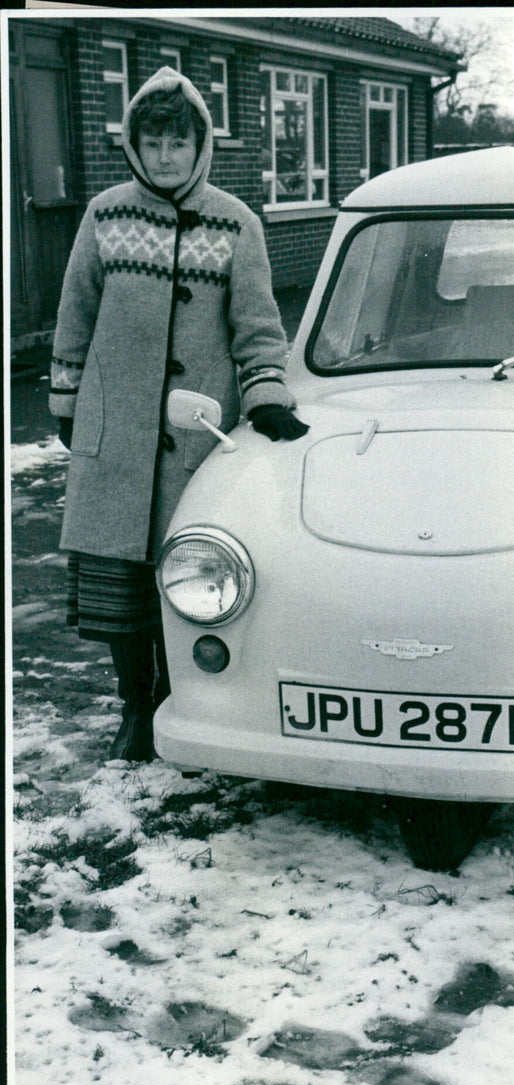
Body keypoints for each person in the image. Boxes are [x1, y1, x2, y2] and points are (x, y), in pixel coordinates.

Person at [48, 66, 308, 764]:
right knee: (117, 580)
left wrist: (267, 395)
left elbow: (259, 329)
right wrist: (68, 400)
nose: (165, 157)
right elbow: (75, 313)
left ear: (200, 146)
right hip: (114, 433)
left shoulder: (236, 224)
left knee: (195, 573)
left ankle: (182, 698)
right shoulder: (105, 215)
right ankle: (136, 705)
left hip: (198, 439)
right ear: (134, 146)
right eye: (153, 143)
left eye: (178, 143)